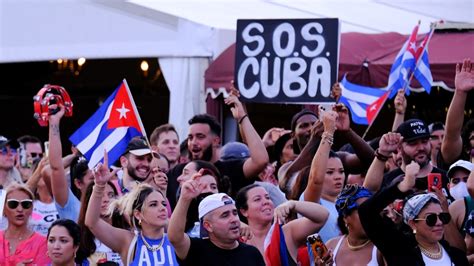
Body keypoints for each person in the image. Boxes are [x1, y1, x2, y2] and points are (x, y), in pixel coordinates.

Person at [166, 88, 269, 208]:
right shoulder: (177, 172)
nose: (193, 142)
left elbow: (261, 160)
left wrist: (242, 118)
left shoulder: (231, 169)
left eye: (200, 137)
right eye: (190, 137)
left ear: (216, 141)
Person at [359, 161, 468, 265]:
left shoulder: (456, 255)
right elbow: (366, 212)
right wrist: (401, 187)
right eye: (431, 218)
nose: (439, 222)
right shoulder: (400, 252)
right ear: (412, 223)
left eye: (443, 217)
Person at [85, 152, 178, 265]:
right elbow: (92, 223)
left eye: (163, 204)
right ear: (138, 214)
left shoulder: (178, 240)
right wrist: (99, 186)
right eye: (153, 204)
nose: (162, 208)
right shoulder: (128, 242)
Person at [168, 173, 265, 266]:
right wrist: (184, 198)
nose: (234, 219)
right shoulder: (196, 250)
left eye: (234, 213)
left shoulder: (252, 253)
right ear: (208, 226)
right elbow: (175, 237)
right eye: (225, 215)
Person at [235, 184, 328, 264]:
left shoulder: (286, 232)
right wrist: (236, 223)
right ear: (244, 211)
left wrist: (293, 204)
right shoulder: (235, 240)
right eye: (257, 199)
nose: (266, 202)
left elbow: (322, 216)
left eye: (267, 197)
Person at [381, 119, 454, 202]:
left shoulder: (448, 178)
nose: (421, 148)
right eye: (413, 143)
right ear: (399, 147)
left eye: (424, 141)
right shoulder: (388, 180)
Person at [48, 105, 94, 222]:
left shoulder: (112, 207)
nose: (99, 183)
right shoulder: (71, 207)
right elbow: (54, 168)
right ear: (78, 183)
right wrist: (54, 122)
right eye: (92, 179)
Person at [326, 184, 384, 266]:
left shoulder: (382, 248)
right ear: (345, 217)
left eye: (371, 211)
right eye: (362, 212)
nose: (369, 217)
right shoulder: (331, 246)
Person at [0, 183, 50, 265]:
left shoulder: (43, 243)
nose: (20, 209)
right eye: (13, 204)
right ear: (3, 208)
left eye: (25, 204)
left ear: (31, 209)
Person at [76, 181, 124, 265]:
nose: (106, 200)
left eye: (111, 195)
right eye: (100, 196)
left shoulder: (128, 233)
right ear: (89, 201)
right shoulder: (78, 238)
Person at [442, 59, 474, 168]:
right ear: (466, 147)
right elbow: (452, 135)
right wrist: (460, 93)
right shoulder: (461, 162)